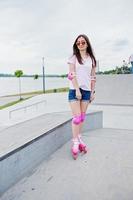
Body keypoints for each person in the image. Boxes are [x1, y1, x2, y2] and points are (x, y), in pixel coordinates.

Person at [67, 34, 96, 160]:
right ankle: (75, 142)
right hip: (75, 90)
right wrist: (77, 89)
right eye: (78, 43)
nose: (80, 44)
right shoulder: (73, 57)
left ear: (87, 44)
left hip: (87, 91)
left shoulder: (92, 59)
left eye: (83, 42)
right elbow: (71, 75)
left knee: (82, 118)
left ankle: (79, 138)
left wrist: (93, 92)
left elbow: (93, 77)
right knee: (77, 118)